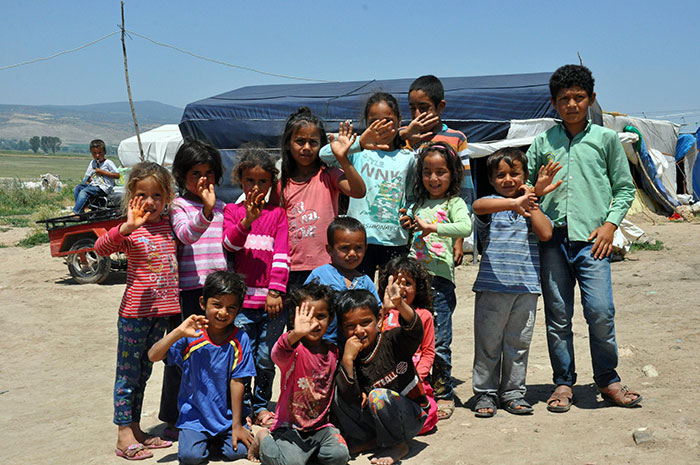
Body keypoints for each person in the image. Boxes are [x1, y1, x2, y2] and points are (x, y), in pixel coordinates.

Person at [526, 64, 641, 412]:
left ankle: (607, 379)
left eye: (579, 97)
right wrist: (534, 191)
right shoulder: (542, 142)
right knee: (558, 316)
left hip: (594, 240)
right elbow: (526, 190)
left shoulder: (606, 140)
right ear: (553, 103)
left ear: (591, 99)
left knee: (601, 311)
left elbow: (623, 189)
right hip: (553, 242)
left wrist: (610, 225)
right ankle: (563, 383)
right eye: (564, 99)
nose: (572, 104)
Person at [94, 161, 179, 461]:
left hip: (161, 313)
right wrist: (125, 228)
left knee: (144, 372)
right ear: (132, 196)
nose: (151, 202)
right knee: (127, 375)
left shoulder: (169, 224)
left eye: (157, 195)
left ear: (167, 196)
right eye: (143, 195)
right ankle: (122, 435)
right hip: (134, 314)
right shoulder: (131, 229)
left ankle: (137, 429)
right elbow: (100, 248)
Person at [470, 148, 557, 418]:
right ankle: (485, 392)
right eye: (501, 175)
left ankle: (513, 392)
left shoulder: (531, 206)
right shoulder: (492, 205)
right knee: (488, 343)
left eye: (514, 174)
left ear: (525, 176)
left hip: (526, 289)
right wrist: (513, 203)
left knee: (518, 344)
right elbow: (477, 207)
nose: (508, 180)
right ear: (492, 180)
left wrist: (532, 201)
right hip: (492, 288)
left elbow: (545, 233)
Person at [158, 140, 228, 439]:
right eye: (195, 172)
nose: (203, 179)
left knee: (217, 352)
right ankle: (173, 416)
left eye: (209, 172)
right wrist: (208, 211)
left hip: (220, 293)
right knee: (182, 352)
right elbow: (186, 236)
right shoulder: (179, 207)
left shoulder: (225, 207)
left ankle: (213, 413)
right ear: (181, 175)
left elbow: (230, 247)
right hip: (190, 291)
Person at [148, 271, 256, 464]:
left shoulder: (240, 339)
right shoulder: (190, 335)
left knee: (238, 451)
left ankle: (219, 438)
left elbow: (238, 381)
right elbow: (153, 355)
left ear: (238, 310)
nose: (223, 312)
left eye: (231, 308)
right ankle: (201, 439)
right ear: (202, 303)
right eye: (217, 305)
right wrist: (178, 332)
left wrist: (237, 424)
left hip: (226, 418)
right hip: (195, 418)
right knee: (191, 457)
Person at [399, 142, 471, 421]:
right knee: (411, 338)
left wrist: (434, 227)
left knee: (439, 340)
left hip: (439, 281)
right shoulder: (416, 203)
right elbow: (404, 222)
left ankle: (443, 394)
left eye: (441, 172)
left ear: (452, 174)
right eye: (427, 172)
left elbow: (465, 227)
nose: (433, 178)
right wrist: (406, 222)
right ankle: (416, 390)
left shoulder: (454, 203)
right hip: (412, 282)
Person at [222, 143, 290, 428]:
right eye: (250, 180)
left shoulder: (278, 214)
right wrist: (248, 219)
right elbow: (230, 244)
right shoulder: (232, 211)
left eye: (263, 181)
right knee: (242, 357)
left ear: (272, 183)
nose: (256, 187)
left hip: (271, 304)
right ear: (240, 180)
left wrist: (275, 291)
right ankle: (244, 405)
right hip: (242, 305)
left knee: (265, 358)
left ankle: (261, 404)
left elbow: (282, 254)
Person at [247, 283, 350, 465]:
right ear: (295, 318)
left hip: (321, 428)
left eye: (321, 316)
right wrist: (296, 332)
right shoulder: (293, 351)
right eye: (307, 317)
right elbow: (276, 352)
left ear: (331, 317)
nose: (315, 323)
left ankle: (306, 453)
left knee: (339, 455)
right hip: (290, 428)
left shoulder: (334, 351)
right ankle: (263, 437)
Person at [320, 92, 416, 281]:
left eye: (388, 120)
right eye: (374, 121)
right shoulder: (358, 153)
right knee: (360, 294)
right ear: (366, 123)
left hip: (394, 238)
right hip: (359, 240)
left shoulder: (408, 158)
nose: (381, 127)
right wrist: (360, 143)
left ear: (399, 121)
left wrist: (410, 214)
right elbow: (324, 155)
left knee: (391, 292)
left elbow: (412, 196)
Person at [333, 288, 427, 465]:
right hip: (377, 422)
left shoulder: (393, 341)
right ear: (341, 329)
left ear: (379, 320)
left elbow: (415, 330)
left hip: (411, 416)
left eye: (366, 322)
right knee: (337, 392)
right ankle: (368, 440)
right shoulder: (349, 357)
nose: (359, 331)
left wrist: (400, 304)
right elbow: (348, 397)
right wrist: (347, 360)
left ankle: (398, 445)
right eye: (350, 326)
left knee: (378, 397)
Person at [279, 107, 366, 294]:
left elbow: (358, 191)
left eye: (313, 142)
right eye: (300, 142)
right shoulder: (282, 185)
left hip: (328, 267)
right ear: (288, 144)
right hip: (292, 269)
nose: (307, 148)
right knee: (300, 321)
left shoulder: (329, 176)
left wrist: (343, 159)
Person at [399, 75, 474, 264]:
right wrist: (404, 137)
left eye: (424, 108)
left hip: (441, 228)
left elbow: (465, 189)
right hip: (406, 225)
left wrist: (459, 239)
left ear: (440, 107)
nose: (417, 114)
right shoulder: (403, 139)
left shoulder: (456, 138)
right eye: (412, 108)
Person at [379, 257, 437, 434]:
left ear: (417, 289)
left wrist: (417, 377)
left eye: (408, 283)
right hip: (383, 380)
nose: (401, 288)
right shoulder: (380, 312)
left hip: (414, 382)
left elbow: (428, 352)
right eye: (396, 281)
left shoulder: (424, 315)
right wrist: (384, 310)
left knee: (431, 413)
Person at [304, 216, 381, 344]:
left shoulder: (365, 281)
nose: (352, 253)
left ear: (366, 248)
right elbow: (304, 307)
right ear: (330, 250)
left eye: (358, 248)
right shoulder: (319, 275)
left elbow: (376, 310)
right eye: (345, 248)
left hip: (357, 345)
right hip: (323, 345)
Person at [72, 139, 120, 214]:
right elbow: (88, 176)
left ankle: (76, 212)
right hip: (93, 186)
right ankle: (81, 211)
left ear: (104, 152)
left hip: (103, 188)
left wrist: (102, 172)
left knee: (85, 191)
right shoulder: (92, 163)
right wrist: (84, 183)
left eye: (100, 153)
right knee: (77, 189)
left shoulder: (108, 163)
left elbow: (117, 175)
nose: (97, 155)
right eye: (94, 153)